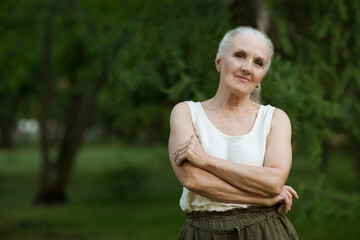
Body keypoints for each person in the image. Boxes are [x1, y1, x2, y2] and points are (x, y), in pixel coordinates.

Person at [168, 26, 299, 239]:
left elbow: (274, 182)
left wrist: (207, 161)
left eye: (258, 63)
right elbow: (193, 180)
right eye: (240, 55)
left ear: (262, 74)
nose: (248, 68)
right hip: (203, 232)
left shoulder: (275, 119)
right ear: (219, 62)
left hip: (264, 231)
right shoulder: (186, 112)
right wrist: (264, 199)